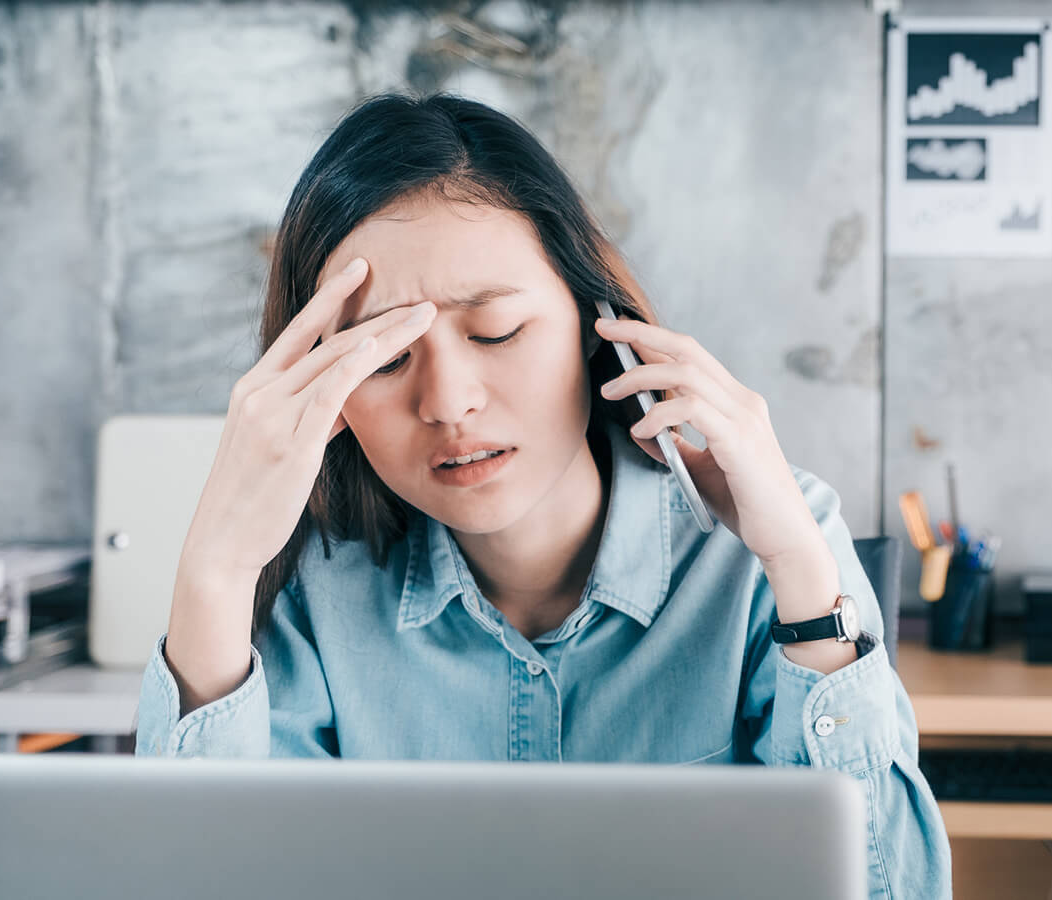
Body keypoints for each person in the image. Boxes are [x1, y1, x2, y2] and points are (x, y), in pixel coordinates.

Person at [135, 93, 951, 899]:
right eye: (383, 360)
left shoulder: (764, 551)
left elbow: (892, 890)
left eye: (496, 332)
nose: (448, 403)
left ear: (596, 322)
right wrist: (214, 570)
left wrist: (802, 577)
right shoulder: (318, 587)